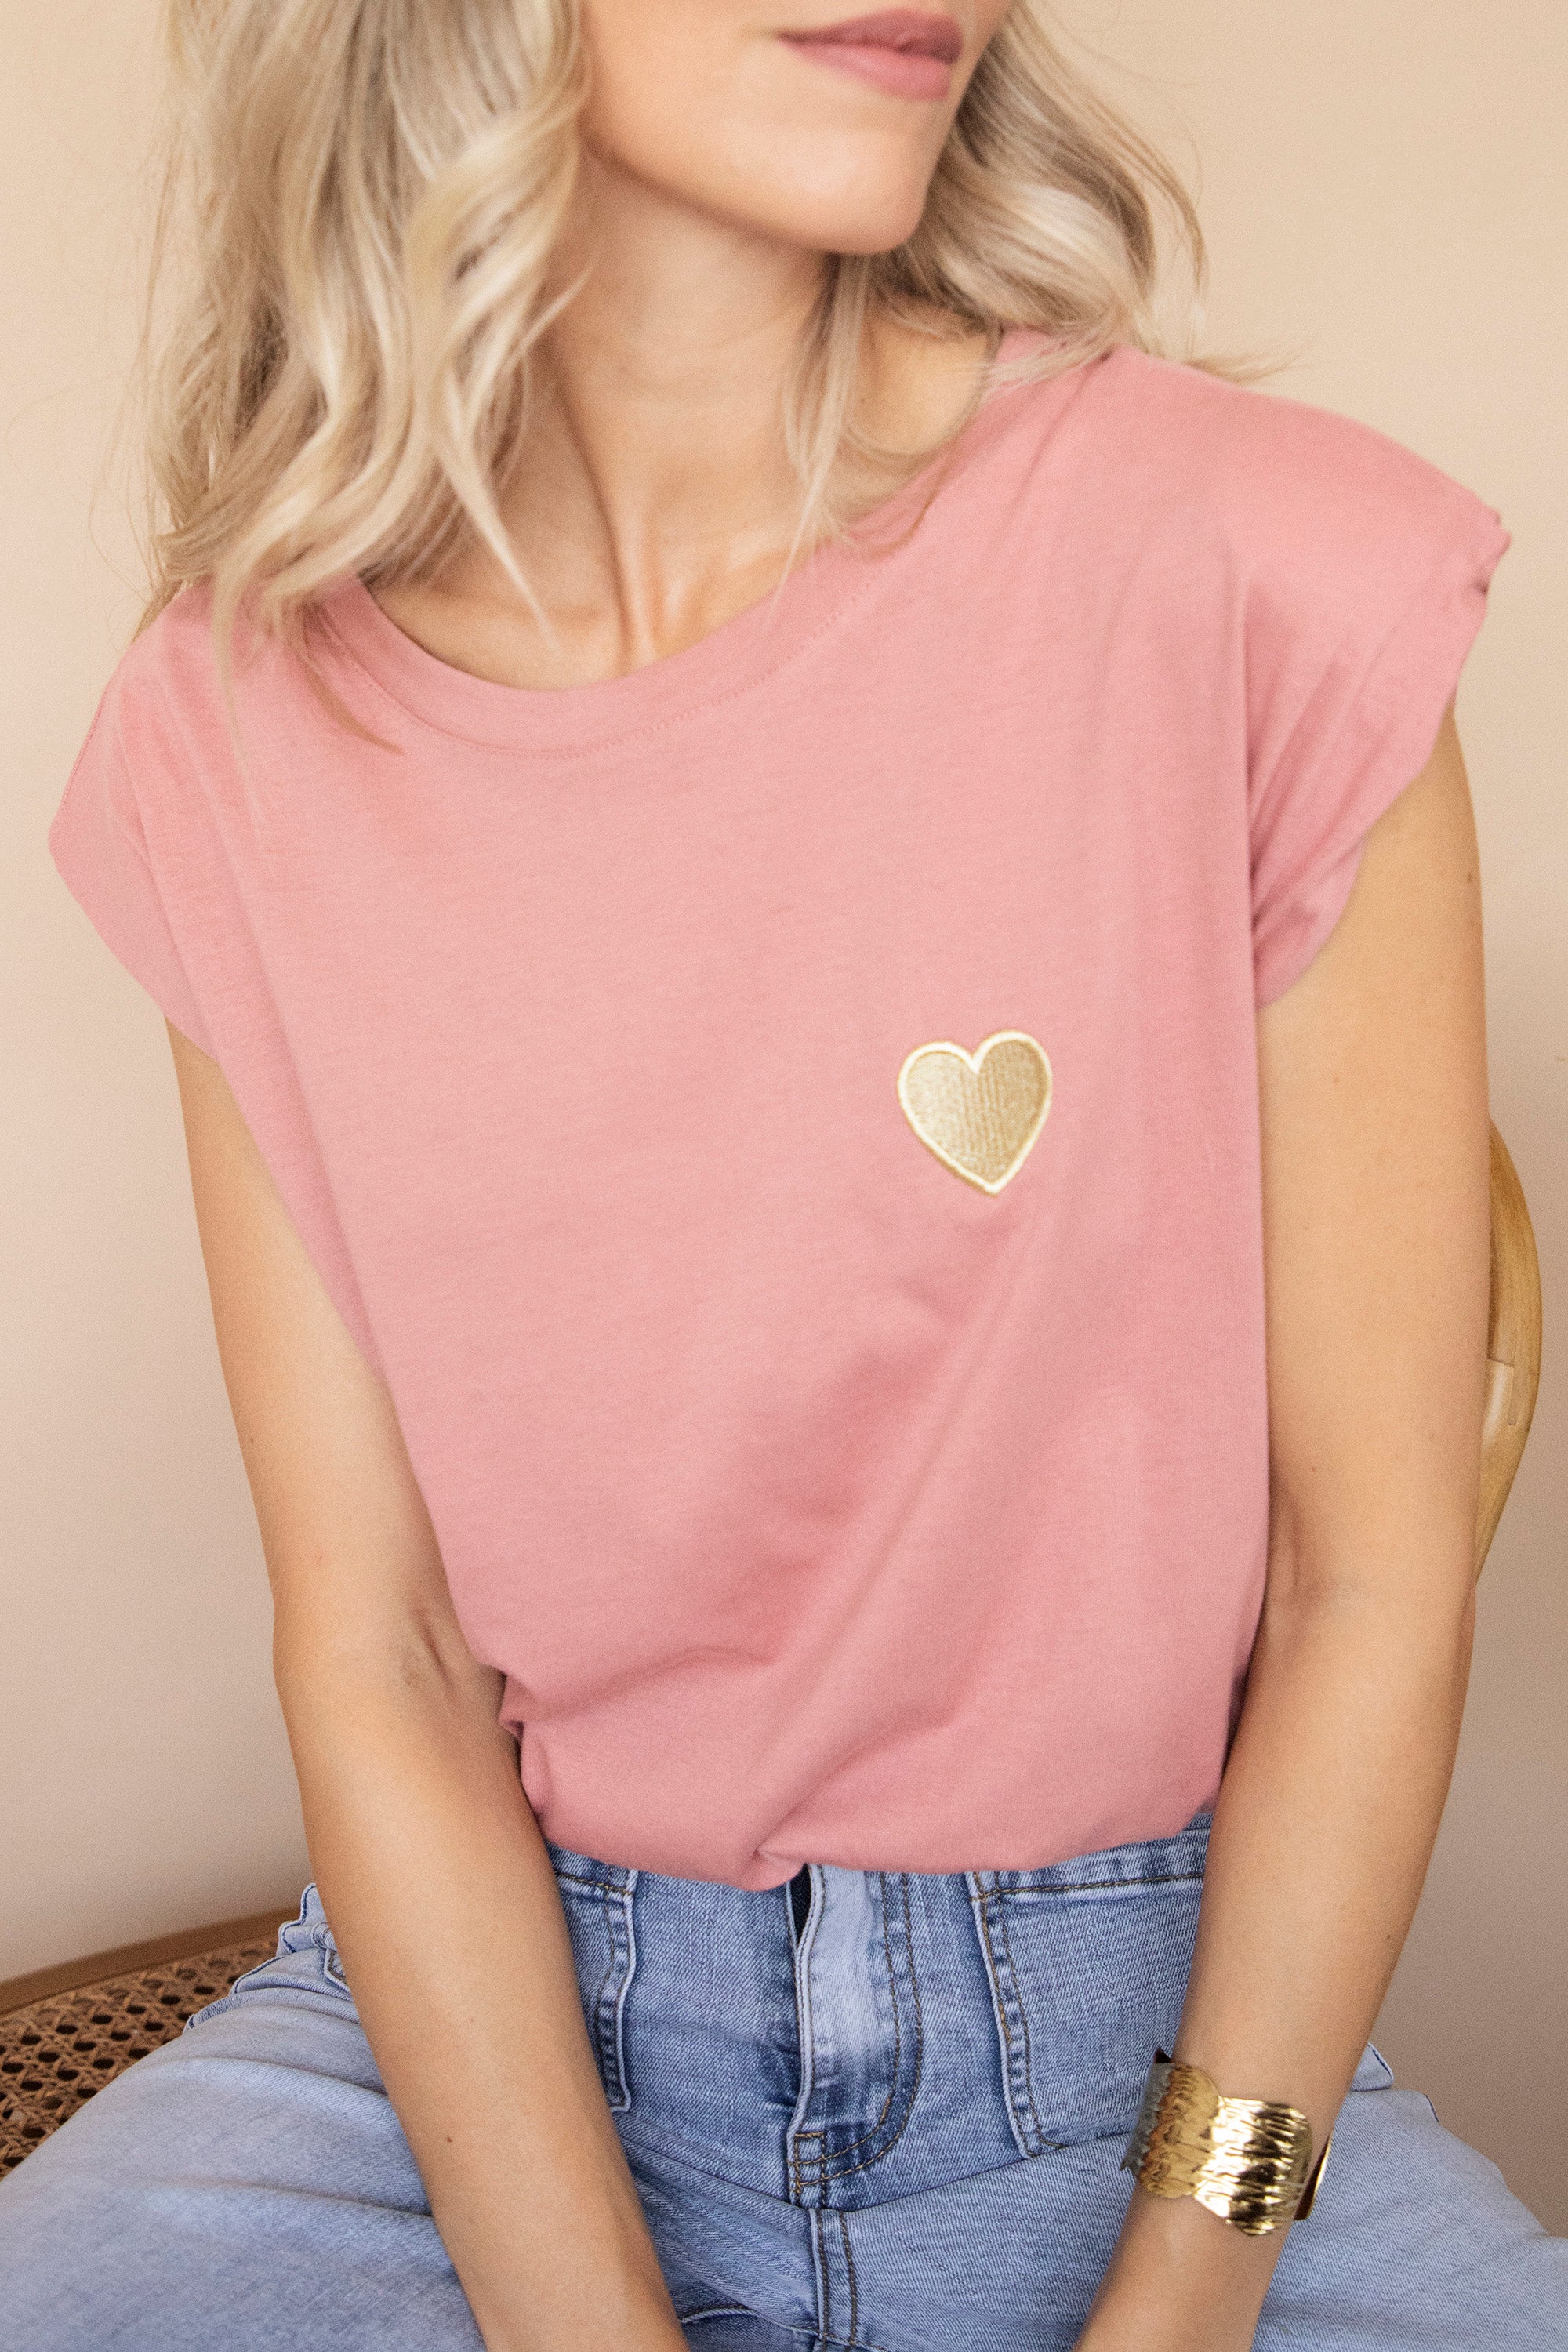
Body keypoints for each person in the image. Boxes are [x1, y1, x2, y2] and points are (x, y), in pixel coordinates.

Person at [2, 2, 1562, 2346]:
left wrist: (1186, 2283)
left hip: (1153, 2059)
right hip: (476, 2074)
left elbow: (1371, 1578)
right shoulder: (230, 732)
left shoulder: (1268, 571)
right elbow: (383, 1655)